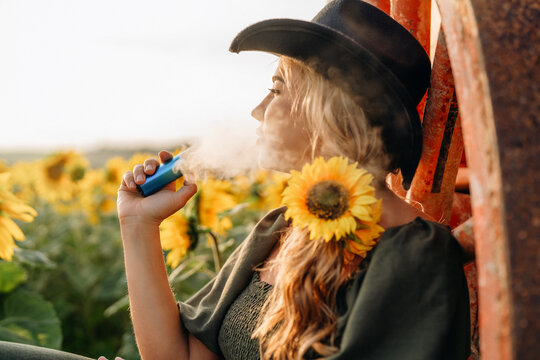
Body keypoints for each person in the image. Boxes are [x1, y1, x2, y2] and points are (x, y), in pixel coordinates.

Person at [0, 0, 470, 359]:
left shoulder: (414, 255)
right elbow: (178, 355)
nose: (257, 110)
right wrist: (138, 224)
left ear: (329, 110)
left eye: (277, 89)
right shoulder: (281, 227)